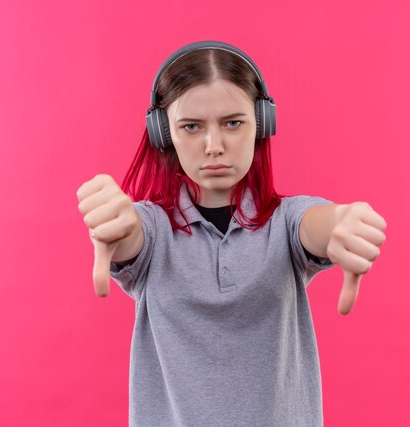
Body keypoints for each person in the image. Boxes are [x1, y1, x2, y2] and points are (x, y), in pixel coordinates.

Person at [76, 41, 387, 427]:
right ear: (163, 133)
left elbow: (317, 225)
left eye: (233, 123)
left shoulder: (287, 222)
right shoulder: (151, 229)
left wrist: (341, 221)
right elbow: (129, 238)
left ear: (262, 123)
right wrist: (112, 226)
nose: (214, 146)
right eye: (191, 126)